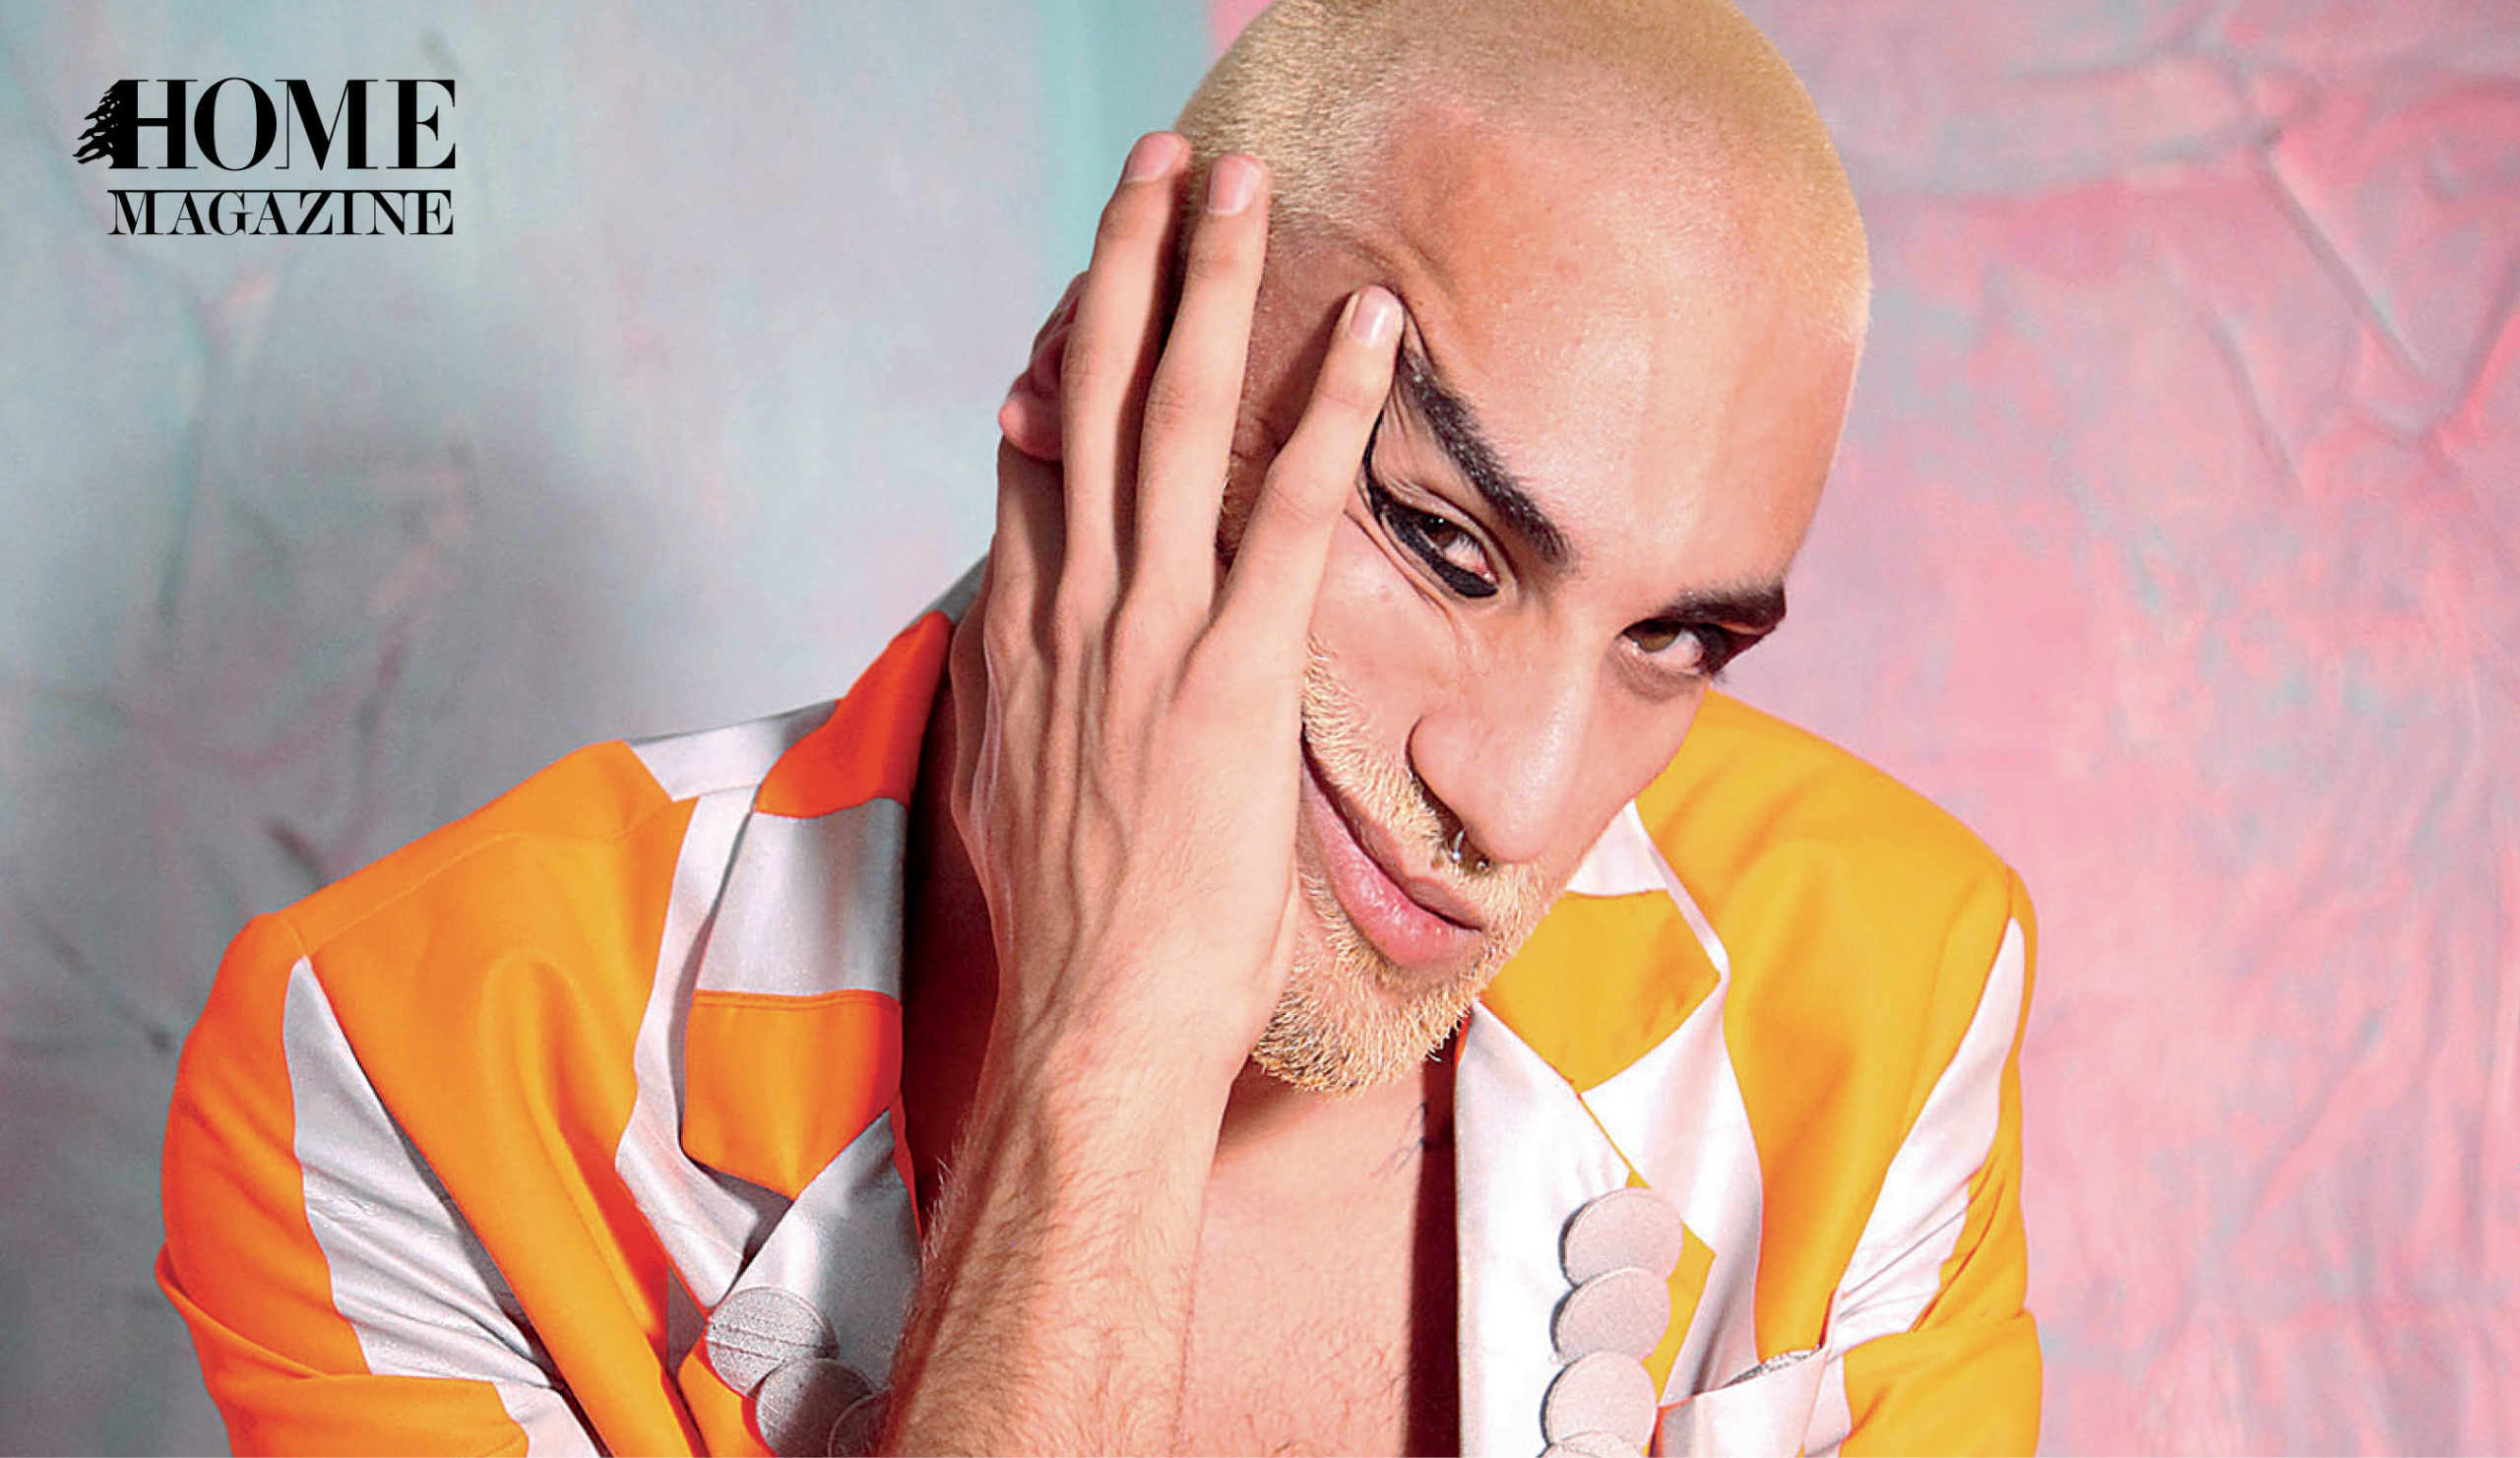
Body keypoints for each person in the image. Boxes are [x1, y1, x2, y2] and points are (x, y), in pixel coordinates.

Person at [158, 1, 2041, 1453]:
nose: (1521, 796)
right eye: (1443, 542)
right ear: (1094, 373)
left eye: (1671, 641)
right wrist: (1111, 1056)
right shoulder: (411, 1075)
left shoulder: (1893, 999)